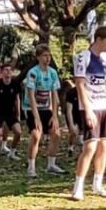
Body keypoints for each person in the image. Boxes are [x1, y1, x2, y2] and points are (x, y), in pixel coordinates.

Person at [71, 25, 106, 200]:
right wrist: (88, 109)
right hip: (90, 107)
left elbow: (104, 87)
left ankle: (98, 184)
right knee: (90, 146)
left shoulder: (105, 62)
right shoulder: (83, 57)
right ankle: (78, 187)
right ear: (98, 39)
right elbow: (80, 84)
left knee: (104, 145)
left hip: (104, 106)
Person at [25, 44, 64, 177]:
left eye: (49, 56)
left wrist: (55, 115)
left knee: (56, 133)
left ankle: (51, 164)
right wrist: (36, 117)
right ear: (38, 57)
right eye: (44, 56)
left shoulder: (53, 73)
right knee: (36, 135)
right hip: (32, 108)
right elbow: (31, 96)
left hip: (46, 108)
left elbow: (54, 94)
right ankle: (31, 166)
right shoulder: (33, 73)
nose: (47, 59)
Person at [0, 62, 22, 164]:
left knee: (18, 132)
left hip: (10, 113)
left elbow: (17, 100)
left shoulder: (15, 84)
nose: (8, 72)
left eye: (10, 70)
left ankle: (12, 152)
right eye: (6, 70)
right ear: (2, 72)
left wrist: (18, 114)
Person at [62, 78, 83, 157]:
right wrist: (71, 125)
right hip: (72, 114)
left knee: (82, 133)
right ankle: (70, 147)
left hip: (82, 114)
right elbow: (69, 110)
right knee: (73, 133)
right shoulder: (71, 92)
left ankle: (81, 151)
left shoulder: (87, 92)